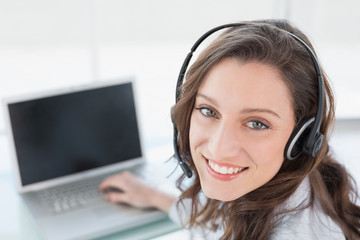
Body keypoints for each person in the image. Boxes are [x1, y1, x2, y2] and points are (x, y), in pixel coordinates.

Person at [99, 19, 360, 239]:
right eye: (208, 111)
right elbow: (219, 222)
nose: (219, 148)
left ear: (302, 138)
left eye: (257, 123)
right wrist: (156, 197)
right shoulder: (267, 187)